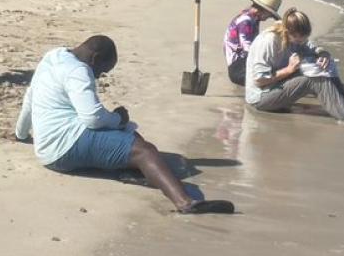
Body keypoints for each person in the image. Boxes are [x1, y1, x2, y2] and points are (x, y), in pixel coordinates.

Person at [15, 35, 235, 214]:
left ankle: (134, 171)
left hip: (46, 148)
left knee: (130, 136)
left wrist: (21, 133)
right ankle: (186, 202)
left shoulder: (53, 56)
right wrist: (119, 118)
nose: (99, 76)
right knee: (145, 151)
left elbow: (30, 97)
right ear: (94, 59)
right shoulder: (79, 71)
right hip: (64, 149)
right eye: (101, 70)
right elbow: (92, 118)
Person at [246, 9, 344, 126]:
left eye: (304, 39)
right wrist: (289, 70)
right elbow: (259, 80)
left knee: (326, 64)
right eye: (298, 40)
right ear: (287, 32)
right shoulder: (269, 41)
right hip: (260, 97)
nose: (301, 42)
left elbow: (312, 48)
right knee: (313, 79)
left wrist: (323, 53)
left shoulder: (296, 35)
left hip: (276, 87)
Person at [224, 0, 283, 86]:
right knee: (277, 73)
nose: (268, 18)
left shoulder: (252, 18)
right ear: (263, 10)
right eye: (269, 15)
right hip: (238, 67)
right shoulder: (246, 21)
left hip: (241, 63)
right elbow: (249, 48)